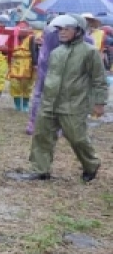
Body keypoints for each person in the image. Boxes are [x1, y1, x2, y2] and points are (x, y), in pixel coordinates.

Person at [9, 15, 106, 183]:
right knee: (42, 135)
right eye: (60, 29)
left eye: (67, 28)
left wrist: (99, 102)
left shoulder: (89, 52)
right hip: (49, 102)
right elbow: (49, 77)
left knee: (77, 137)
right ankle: (40, 169)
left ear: (78, 31)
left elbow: (99, 79)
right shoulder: (56, 52)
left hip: (74, 103)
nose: (62, 32)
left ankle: (91, 164)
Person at [8, 18, 38, 112]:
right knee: (14, 84)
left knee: (27, 85)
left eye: (24, 27)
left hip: (27, 63)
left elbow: (34, 51)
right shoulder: (13, 36)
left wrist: (34, 63)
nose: (21, 29)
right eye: (20, 27)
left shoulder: (31, 37)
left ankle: (25, 104)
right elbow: (8, 49)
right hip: (16, 62)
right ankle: (17, 104)